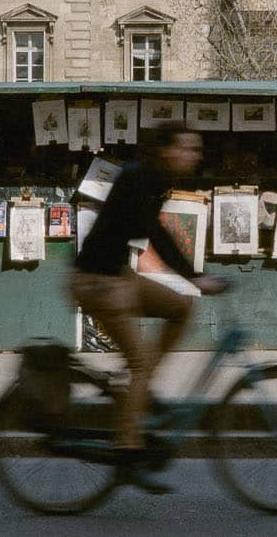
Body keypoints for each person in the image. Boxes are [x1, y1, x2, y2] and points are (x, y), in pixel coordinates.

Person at [70, 125, 227, 491]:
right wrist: (195, 276)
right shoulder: (136, 179)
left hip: (118, 278)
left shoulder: (155, 180)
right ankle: (128, 449)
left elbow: (154, 232)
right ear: (166, 151)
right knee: (138, 362)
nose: (195, 155)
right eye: (188, 148)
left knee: (180, 307)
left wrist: (193, 280)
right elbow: (153, 233)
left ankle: (138, 393)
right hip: (96, 281)